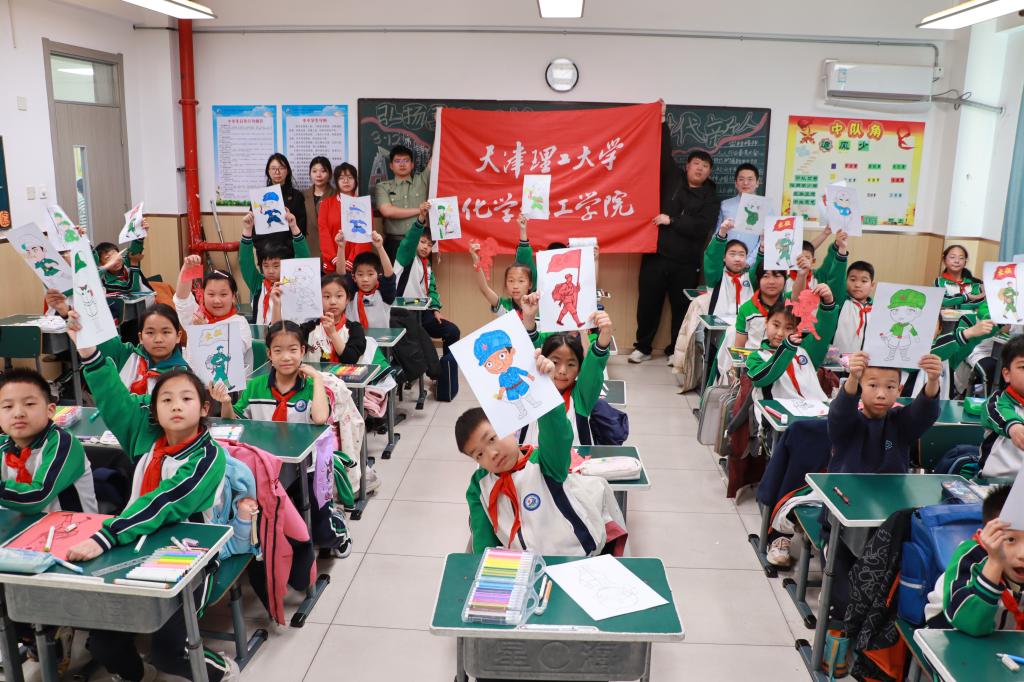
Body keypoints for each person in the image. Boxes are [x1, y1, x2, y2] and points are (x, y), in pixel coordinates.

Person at [66, 316, 238, 682]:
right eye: (166, 400)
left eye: (186, 399)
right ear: (154, 411)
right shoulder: (145, 441)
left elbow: (165, 500)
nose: (176, 406)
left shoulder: (208, 457)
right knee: (103, 642)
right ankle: (139, 674)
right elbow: (114, 399)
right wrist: (89, 352)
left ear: (204, 408)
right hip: (136, 544)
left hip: (192, 557)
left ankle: (221, 669)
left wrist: (108, 535)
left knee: (169, 652)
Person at [456, 355, 625, 556]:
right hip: (522, 565)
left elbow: (557, 434)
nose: (491, 454)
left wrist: (545, 390)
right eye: (479, 454)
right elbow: (483, 536)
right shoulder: (480, 484)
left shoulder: (544, 462)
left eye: (492, 438)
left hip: (574, 556)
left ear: (509, 427)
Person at [216, 320, 351, 558]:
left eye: (293, 350)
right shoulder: (255, 386)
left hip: (308, 466)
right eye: (278, 350)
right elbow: (233, 421)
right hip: (266, 465)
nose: (286, 357)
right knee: (276, 517)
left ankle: (338, 529)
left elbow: (320, 418)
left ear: (303, 351)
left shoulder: (311, 386)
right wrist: (226, 403)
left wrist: (318, 379)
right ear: (269, 354)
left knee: (320, 526)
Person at [631, 102, 720, 364]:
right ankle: (643, 347)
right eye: (696, 163)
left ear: (709, 172)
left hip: (687, 261)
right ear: (687, 166)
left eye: (705, 166)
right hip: (655, 255)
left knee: (682, 308)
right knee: (648, 304)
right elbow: (662, 151)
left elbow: (701, 227)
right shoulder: (672, 178)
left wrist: (672, 220)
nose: (700, 168)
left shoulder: (711, 197)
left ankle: (675, 351)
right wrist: (661, 121)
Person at [924, 485, 1024, 634]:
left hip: (1003, 639)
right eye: (1010, 539)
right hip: (947, 636)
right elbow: (969, 623)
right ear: (987, 537)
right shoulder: (970, 557)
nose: (1022, 554)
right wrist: (995, 562)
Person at [519, 294, 614, 446]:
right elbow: (531, 351)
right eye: (555, 362)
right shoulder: (531, 389)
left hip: (573, 461)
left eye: (571, 364)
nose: (562, 371)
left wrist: (605, 334)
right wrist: (529, 317)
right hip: (531, 459)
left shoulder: (580, 397)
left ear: (580, 369)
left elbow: (594, 365)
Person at [827, 350, 941, 474]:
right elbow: (841, 411)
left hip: (893, 486)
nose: (881, 394)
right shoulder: (846, 424)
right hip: (845, 485)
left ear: (899, 390)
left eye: (890, 387)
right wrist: (853, 377)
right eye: (873, 385)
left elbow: (924, 412)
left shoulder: (902, 422)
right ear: (859, 387)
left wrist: (933, 380)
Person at [0, 368, 97, 513]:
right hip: (19, 524)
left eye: (29, 404)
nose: (18, 413)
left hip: (73, 525)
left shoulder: (63, 443)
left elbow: (38, 496)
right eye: (8, 406)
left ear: (50, 410)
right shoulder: (3, 445)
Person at [747, 286, 839, 404]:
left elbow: (823, 331)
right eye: (776, 325)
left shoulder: (805, 350)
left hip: (815, 410)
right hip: (776, 412)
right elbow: (759, 379)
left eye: (788, 328)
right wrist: (786, 349)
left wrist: (828, 304)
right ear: (766, 322)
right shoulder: (756, 356)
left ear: (796, 330)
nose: (780, 333)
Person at [394, 202, 461, 355]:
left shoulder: (427, 265)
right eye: (423, 242)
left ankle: (446, 370)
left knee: (452, 331)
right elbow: (409, 241)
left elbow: (432, 289)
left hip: (423, 313)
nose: (425, 247)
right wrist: (421, 218)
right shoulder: (406, 257)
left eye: (430, 245)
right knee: (425, 350)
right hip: (403, 313)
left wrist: (435, 309)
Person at [173, 256, 254, 374]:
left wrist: (203, 331)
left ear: (233, 297)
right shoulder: (197, 316)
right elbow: (182, 300)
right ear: (203, 295)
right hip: (195, 381)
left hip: (228, 383)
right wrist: (187, 268)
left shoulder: (239, 323)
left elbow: (231, 356)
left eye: (223, 294)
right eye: (211, 294)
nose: (217, 300)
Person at [240, 207, 309, 325]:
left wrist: (293, 227)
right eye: (266, 266)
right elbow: (245, 262)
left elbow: (303, 260)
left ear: (286, 264)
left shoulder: (293, 281)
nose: (270, 271)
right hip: (262, 335)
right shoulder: (258, 284)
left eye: (276, 266)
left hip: (289, 335)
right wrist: (247, 229)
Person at [373, 145, 430, 261]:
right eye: (397, 161)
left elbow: (437, 157)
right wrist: (419, 210)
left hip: (419, 244)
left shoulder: (422, 180)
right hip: (394, 243)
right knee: (392, 273)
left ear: (412, 165)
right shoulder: (383, 187)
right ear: (391, 166)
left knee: (422, 273)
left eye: (406, 161)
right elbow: (387, 211)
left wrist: (442, 132)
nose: (402, 164)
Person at [297, 274, 367, 364]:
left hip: (343, 373)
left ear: (347, 299)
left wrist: (333, 333)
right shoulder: (309, 328)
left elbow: (351, 359)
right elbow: (285, 342)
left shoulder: (355, 329)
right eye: (327, 296)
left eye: (339, 296)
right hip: (313, 373)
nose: (333, 302)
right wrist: (279, 304)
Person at [980, 336, 1024, 478]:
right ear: (1007, 374)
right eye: (1023, 367)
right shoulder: (997, 401)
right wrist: (1013, 426)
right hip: (994, 482)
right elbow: (1000, 412)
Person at [702, 222, 755, 318]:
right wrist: (722, 233)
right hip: (718, 324)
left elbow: (759, 266)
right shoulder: (717, 276)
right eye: (732, 254)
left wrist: (762, 247)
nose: (737, 259)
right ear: (723, 257)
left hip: (745, 325)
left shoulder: (749, 277)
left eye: (742, 255)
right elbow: (712, 258)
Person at [345, 231, 396, 329]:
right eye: (360, 274)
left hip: (381, 338)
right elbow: (341, 274)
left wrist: (380, 247)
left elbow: (389, 275)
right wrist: (341, 247)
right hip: (356, 338)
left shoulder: (385, 294)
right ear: (354, 277)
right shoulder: (351, 293)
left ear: (378, 276)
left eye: (370, 274)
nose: (365, 279)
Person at [715, 163, 762, 265]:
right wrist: (720, 257)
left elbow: (765, 239)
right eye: (741, 179)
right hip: (725, 261)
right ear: (736, 183)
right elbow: (717, 232)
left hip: (751, 264)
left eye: (750, 179)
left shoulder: (765, 207)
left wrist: (749, 262)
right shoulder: (725, 205)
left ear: (757, 183)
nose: (745, 183)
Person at [260, 153, 307, 253]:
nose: (277, 172)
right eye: (273, 168)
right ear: (268, 171)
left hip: (290, 251)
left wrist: (288, 247)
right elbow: (255, 228)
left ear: (287, 171)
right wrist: (264, 248)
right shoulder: (260, 196)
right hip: (266, 253)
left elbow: (302, 226)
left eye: (281, 168)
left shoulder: (297, 196)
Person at [832, 260, 875, 354]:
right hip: (838, 360)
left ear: (872, 285)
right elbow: (836, 277)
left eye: (864, 281)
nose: (857, 285)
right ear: (845, 281)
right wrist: (841, 255)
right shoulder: (840, 302)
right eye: (852, 279)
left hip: (867, 361)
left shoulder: (877, 309)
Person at [934, 244, 984, 310]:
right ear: (944, 260)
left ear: (965, 262)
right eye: (952, 257)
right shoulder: (939, 282)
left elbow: (980, 303)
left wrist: (954, 304)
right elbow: (943, 301)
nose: (957, 261)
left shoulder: (974, 283)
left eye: (961, 258)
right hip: (947, 316)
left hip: (970, 316)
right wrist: (968, 297)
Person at [301, 156, 332, 260]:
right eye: (314, 171)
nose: (318, 175)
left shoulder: (336, 195)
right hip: (309, 248)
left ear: (330, 174)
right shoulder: (302, 195)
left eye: (323, 171)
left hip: (331, 249)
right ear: (310, 174)